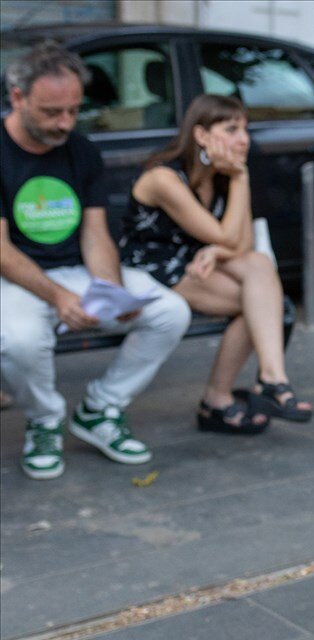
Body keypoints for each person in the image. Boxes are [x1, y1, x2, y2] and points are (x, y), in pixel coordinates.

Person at [1, 42, 190, 480]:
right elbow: (2, 250)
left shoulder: (80, 149)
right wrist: (59, 296)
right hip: (15, 276)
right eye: (51, 112)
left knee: (169, 312)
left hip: (74, 272)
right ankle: (45, 419)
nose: (65, 123)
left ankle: (101, 409)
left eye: (73, 110)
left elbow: (94, 231)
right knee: (21, 338)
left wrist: (109, 290)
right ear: (17, 98)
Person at [119, 94, 313, 434]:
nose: (243, 139)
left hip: (198, 262)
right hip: (150, 266)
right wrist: (241, 179)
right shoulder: (164, 178)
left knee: (257, 270)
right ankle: (219, 399)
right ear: (201, 136)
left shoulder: (221, 174)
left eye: (246, 129)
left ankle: (272, 376)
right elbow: (225, 236)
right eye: (231, 129)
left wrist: (218, 252)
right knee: (261, 304)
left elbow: (244, 246)